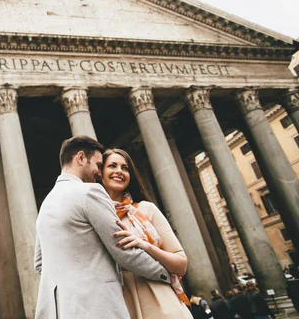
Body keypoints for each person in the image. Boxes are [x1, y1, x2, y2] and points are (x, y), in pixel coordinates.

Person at [34, 136, 171, 319]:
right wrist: (164, 274)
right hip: (96, 306)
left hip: (59, 310)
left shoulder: (46, 205)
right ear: (81, 158)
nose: (99, 173)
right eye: (98, 165)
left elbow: (39, 263)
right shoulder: (89, 192)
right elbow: (122, 249)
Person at [102, 148, 192, 319]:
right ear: (100, 173)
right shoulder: (94, 216)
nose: (119, 171)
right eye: (112, 166)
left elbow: (181, 264)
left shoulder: (146, 209)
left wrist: (145, 245)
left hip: (161, 301)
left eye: (125, 168)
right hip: (119, 304)